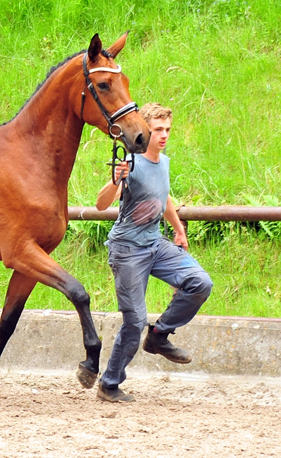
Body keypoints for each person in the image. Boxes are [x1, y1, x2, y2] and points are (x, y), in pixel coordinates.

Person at [94, 103, 213, 403]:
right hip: (127, 251)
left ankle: (159, 335)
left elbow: (164, 196)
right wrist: (115, 180)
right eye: (158, 130)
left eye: (167, 130)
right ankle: (109, 384)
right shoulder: (132, 164)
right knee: (134, 322)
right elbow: (100, 204)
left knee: (201, 282)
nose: (163, 135)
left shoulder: (164, 162)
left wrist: (178, 229)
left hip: (155, 244)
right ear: (146, 130)